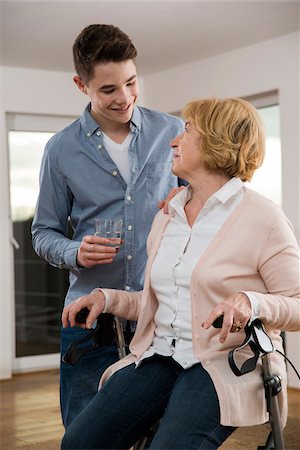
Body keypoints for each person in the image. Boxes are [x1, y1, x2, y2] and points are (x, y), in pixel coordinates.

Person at [61, 97, 300, 450]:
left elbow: (295, 303)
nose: (175, 140)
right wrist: (106, 298)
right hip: (159, 356)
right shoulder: (168, 214)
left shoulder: (263, 218)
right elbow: (161, 301)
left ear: (217, 141)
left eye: (187, 130)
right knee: (79, 442)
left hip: (222, 365)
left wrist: (251, 302)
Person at [31, 24, 185, 428]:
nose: (125, 98)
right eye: (108, 90)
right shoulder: (61, 150)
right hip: (88, 322)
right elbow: (42, 232)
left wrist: (188, 203)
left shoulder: (172, 132)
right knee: (86, 434)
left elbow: (202, 210)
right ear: (81, 85)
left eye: (132, 83)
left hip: (160, 315)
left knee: (162, 432)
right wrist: (74, 251)